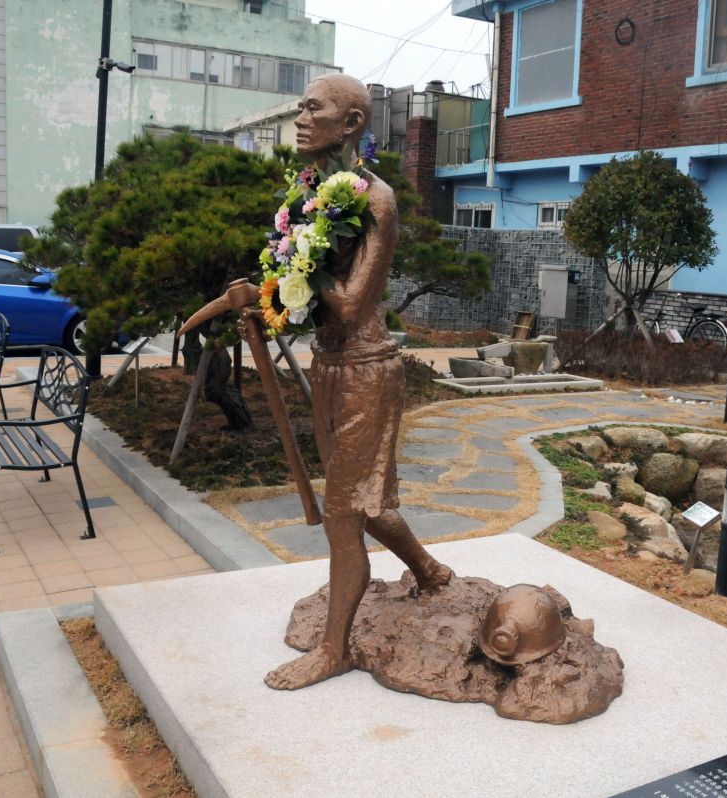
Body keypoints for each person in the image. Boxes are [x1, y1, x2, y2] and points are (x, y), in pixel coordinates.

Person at [216, 73, 453, 690]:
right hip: (329, 365)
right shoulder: (312, 194)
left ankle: (334, 649)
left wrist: (294, 272)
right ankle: (430, 572)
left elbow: (348, 302)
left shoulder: (375, 200)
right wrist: (269, 301)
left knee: (344, 514)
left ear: (351, 123)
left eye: (313, 109)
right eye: (300, 107)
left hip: (366, 371)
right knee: (367, 502)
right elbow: (311, 302)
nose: (300, 118)